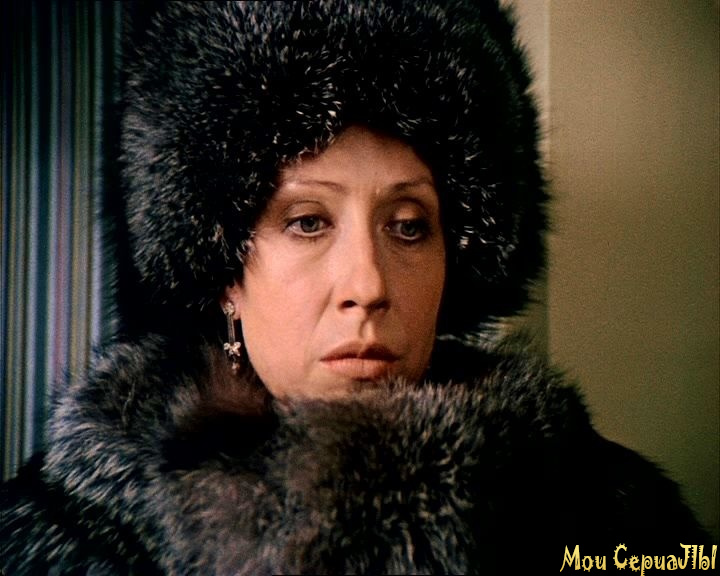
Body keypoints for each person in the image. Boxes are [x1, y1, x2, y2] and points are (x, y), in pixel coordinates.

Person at [1, 1, 710, 574]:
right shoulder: (76, 531)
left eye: (409, 226)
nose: (367, 286)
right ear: (222, 272)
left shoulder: (598, 513)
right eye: (308, 222)